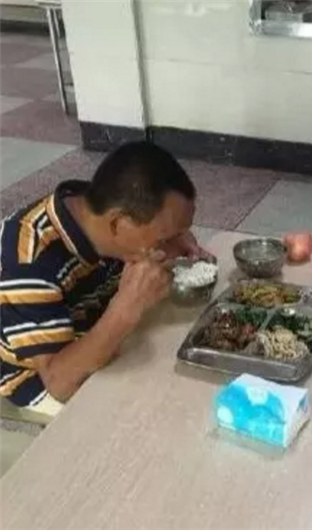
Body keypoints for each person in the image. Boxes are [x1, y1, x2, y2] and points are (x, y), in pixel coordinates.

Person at [0, 141, 208, 416]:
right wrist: (126, 308)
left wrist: (181, 238)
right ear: (118, 224)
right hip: (42, 377)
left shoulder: (102, 203)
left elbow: (169, 227)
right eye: (165, 237)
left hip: (103, 334)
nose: (171, 246)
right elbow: (60, 383)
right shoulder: (28, 258)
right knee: (156, 413)